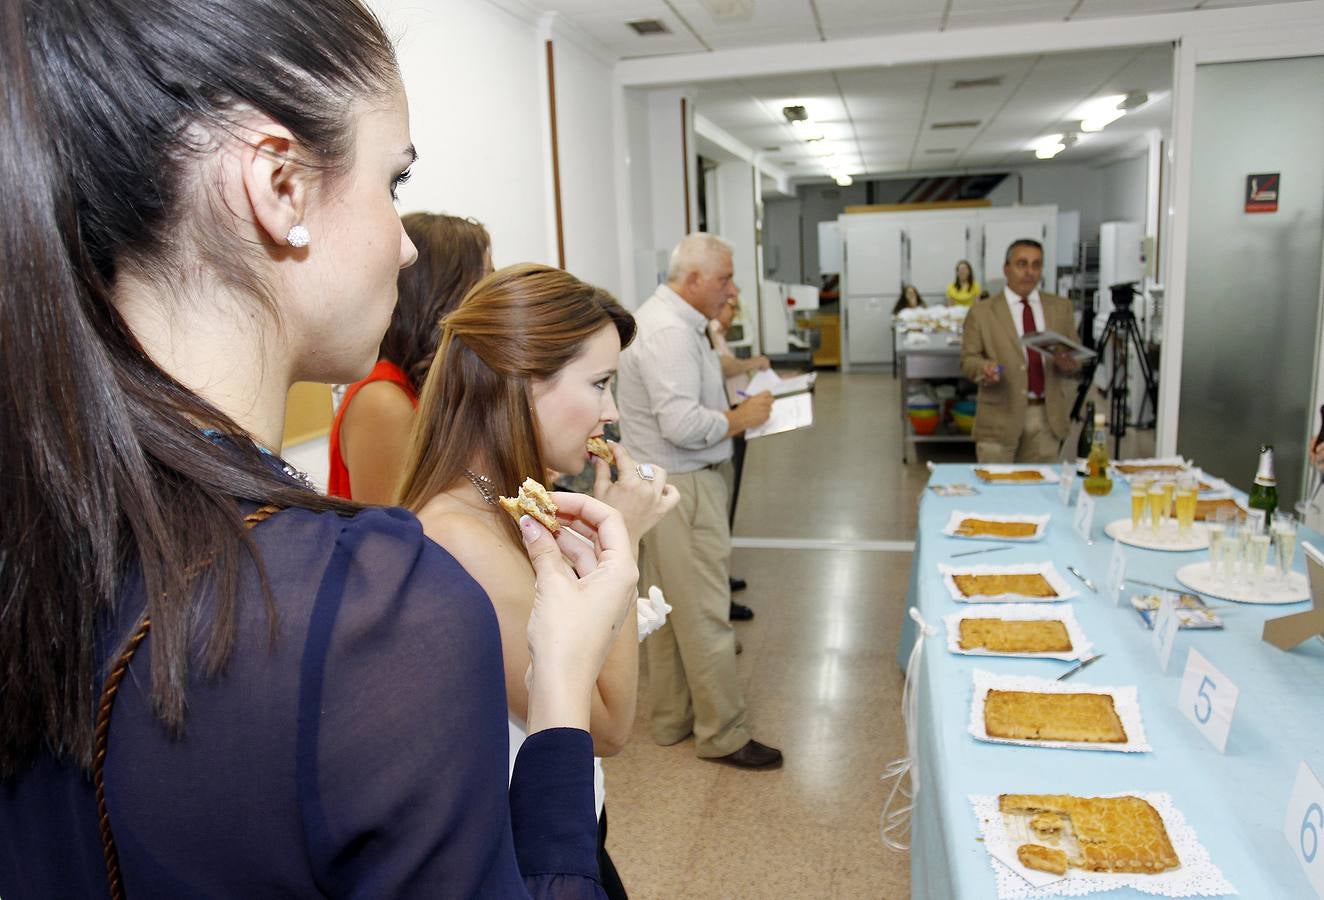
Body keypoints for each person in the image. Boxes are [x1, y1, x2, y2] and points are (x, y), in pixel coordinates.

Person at [0, 1, 637, 897]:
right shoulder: (377, 613)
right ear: (280, 186)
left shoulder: (46, 515)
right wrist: (562, 684)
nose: (408, 246)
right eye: (395, 183)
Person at [395, 263, 679, 900]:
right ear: (523, 384)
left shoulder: (507, 497)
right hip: (528, 849)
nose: (609, 413)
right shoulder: (461, 534)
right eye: (600, 384)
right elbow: (607, 726)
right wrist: (622, 548)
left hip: (563, 818)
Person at [616, 233, 783, 769]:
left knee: (667, 610)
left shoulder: (679, 323)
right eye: (725, 278)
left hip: (663, 482)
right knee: (706, 614)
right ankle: (723, 734)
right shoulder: (668, 330)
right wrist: (741, 419)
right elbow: (683, 423)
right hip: (682, 484)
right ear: (692, 280)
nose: (732, 288)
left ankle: (674, 720)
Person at [328, 212, 491, 501]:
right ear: (444, 294)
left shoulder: (423, 390)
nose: (493, 297)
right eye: (484, 280)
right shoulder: (383, 401)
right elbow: (394, 539)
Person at [960, 239, 1081, 463]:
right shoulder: (982, 312)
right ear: (1006, 268)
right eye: (1022, 264)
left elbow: (1075, 355)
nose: (1029, 272)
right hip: (999, 416)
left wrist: (1070, 364)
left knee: (1039, 492)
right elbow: (968, 359)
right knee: (997, 493)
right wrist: (983, 368)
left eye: (1036, 265)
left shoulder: (1060, 308)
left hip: (1046, 418)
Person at [708, 295, 765, 620]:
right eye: (731, 305)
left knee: (726, 506)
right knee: (720, 510)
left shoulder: (715, 332)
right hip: (726, 422)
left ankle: (723, 579)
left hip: (735, 419)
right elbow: (723, 366)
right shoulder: (708, 329)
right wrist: (750, 363)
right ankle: (720, 593)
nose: (734, 314)